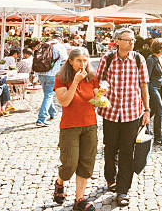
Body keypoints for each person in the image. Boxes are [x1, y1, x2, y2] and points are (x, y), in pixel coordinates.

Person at [96, 28, 150, 208]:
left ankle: (122, 190)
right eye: (127, 40)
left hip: (132, 113)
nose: (131, 43)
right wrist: (101, 91)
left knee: (127, 151)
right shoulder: (107, 59)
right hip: (110, 113)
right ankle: (110, 178)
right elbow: (98, 81)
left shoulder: (138, 59)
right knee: (110, 148)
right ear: (117, 41)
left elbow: (143, 85)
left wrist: (147, 110)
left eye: (133, 40)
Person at [53, 47, 100, 210]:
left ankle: (79, 199)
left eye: (85, 60)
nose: (83, 64)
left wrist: (101, 95)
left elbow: (96, 98)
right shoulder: (61, 77)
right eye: (79, 60)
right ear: (70, 61)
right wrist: (75, 81)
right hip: (70, 126)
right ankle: (60, 182)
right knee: (69, 164)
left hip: (90, 124)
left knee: (87, 162)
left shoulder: (92, 76)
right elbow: (64, 102)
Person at [35, 33, 69, 127]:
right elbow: (65, 59)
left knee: (47, 95)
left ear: (52, 37)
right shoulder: (59, 46)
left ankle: (53, 113)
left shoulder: (44, 44)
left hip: (40, 73)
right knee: (49, 95)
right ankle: (41, 119)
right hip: (52, 74)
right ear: (60, 39)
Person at [146, 38, 162, 146]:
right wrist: (146, 93)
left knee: (153, 111)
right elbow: (147, 77)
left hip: (159, 87)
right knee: (160, 111)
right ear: (160, 48)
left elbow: (161, 73)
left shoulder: (160, 58)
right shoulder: (150, 60)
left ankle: (142, 129)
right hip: (153, 88)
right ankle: (158, 138)